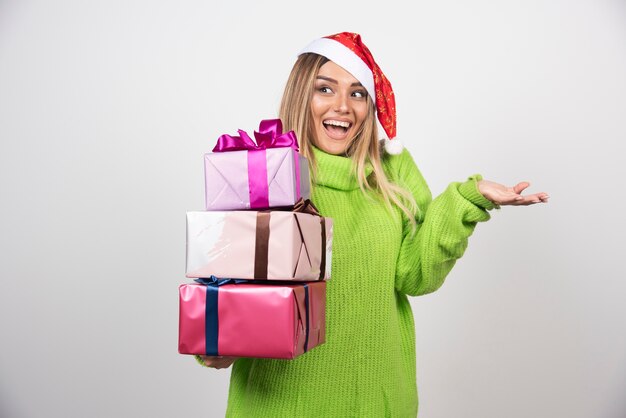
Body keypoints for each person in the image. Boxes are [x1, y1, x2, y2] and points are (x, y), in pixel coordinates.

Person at [197, 32, 549, 417]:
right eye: (325, 89)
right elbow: (224, 299)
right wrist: (217, 345)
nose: (343, 106)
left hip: (377, 403)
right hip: (280, 406)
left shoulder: (392, 172)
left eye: (358, 93)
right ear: (301, 94)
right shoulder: (264, 174)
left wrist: (469, 197)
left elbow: (416, 275)